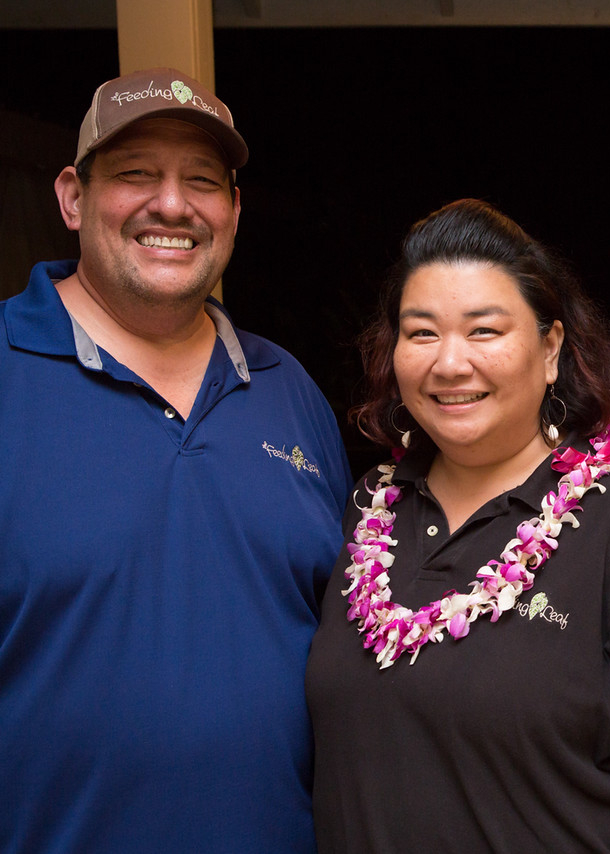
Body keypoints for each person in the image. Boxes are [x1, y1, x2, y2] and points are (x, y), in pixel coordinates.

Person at [305, 198, 610, 854]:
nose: (449, 362)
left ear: (551, 347)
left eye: (485, 330)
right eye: (421, 332)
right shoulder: (370, 511)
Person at [0, 68, 350, 852]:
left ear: (232, 209)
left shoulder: (286, 389)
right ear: (71, 196)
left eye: (202, 180)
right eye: (134, 175)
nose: (171, 205)